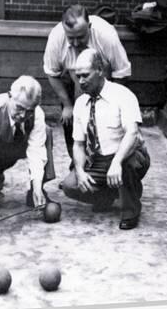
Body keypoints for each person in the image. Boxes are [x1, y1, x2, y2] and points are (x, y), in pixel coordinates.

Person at [61, 48, 150, 230]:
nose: (81, 81)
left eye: (85, 75)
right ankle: (110, 195)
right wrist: (79, 170)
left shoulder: (122, 95)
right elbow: (78, 144)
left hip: (128, 154)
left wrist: (117, 162)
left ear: (100, 70)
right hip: (99, 159)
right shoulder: (80, 103)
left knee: (127, 165)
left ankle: (130, 209)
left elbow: (132, 133)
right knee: (70, 186)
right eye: (78, 77)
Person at [0, 75, 56, 229]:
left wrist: (37, 184)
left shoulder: (37, 113)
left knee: (46, 131)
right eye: (19, 108)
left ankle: (35, 193)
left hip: (13, 145)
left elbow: (36, 150)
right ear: (9, 96)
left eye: (29, 111)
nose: (23, 115)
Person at [43, 4, 131, 160]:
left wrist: (111, 101)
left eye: (81, 37)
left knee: (104, 119)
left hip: (104, 80)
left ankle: (108, 158)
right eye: (71, 38)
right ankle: (77, 163)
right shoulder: (56, 37)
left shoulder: (106, 36)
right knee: (71, 119)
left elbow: (122, 72)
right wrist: (68, 105)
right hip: (71, 80)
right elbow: (52, 73)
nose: (76, 43)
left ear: (89, 26)